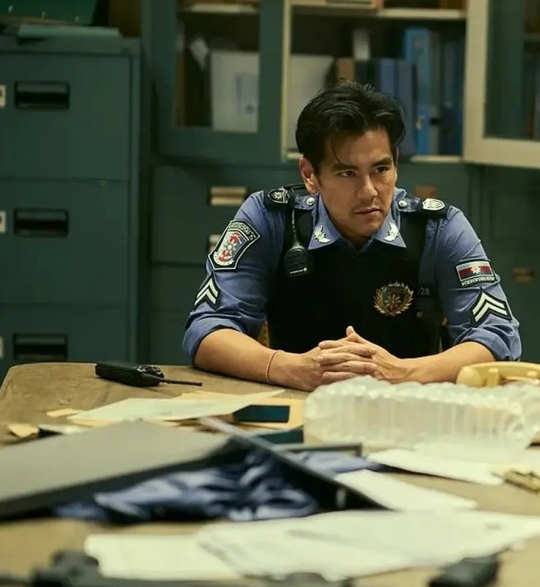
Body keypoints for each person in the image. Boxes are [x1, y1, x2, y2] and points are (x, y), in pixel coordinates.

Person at [183, 80, 522, 391]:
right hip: (296, 404)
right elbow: (207, 330)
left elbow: (499, 338)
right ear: (310, 175)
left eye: (381, 169)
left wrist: (400, 373)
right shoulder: (271, 218)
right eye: (347, 173)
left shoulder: (438, 227)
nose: (369, 191)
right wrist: (291, 368)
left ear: (396, 163)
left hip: (410, 410)